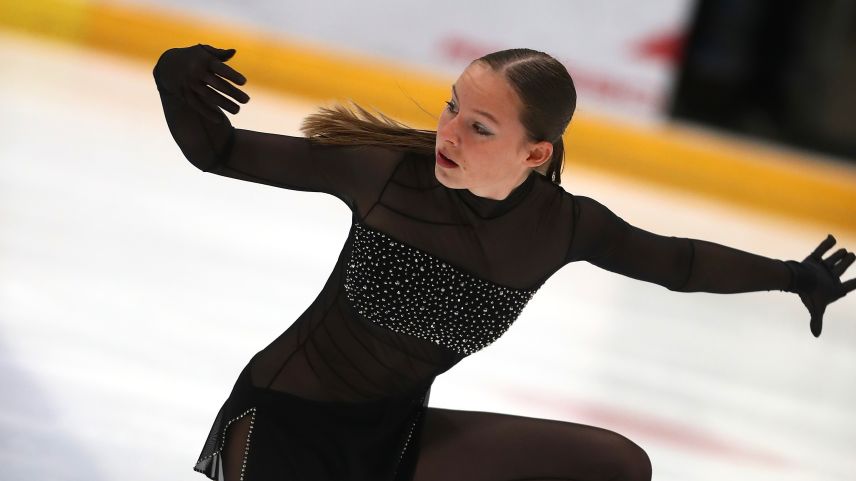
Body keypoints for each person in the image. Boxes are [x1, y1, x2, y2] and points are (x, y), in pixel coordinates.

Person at [153, 43, 854, 481]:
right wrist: (170, 75)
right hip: (285, 427)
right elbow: (220, 152)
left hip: (393, 438)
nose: (447, 132)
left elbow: (680, 262)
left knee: (615, 465)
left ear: (535, 153)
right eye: (453, 107)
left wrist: (795, 276)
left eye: (479, 127)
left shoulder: (561, 227)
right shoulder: (386, 174)